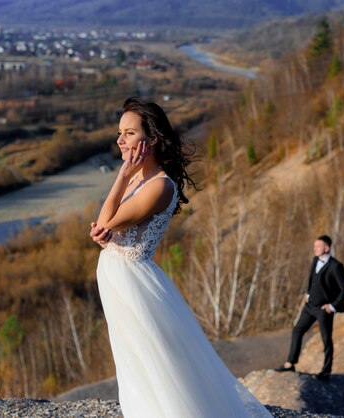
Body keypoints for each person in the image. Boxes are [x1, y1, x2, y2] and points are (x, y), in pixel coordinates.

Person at [89, 97, 273, 418]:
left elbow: (106, 221)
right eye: (119, 133)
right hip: (118, 277)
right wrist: (108, 227)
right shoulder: (139, 178)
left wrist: (121, 176)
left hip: (134, 282)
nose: (120, 140)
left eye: (129, 133)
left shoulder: (159, 186)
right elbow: (108, 225)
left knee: (153, 359)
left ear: (153, 139)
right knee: (132, 357)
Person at [274, 235, 344, 381]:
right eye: (314, 246)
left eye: (318, 246)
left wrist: (332, 306)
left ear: (326, 248)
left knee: (326, 339)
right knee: (297, 330)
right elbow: (312, 278)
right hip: (310, 306)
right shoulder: (315, 260)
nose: (314, 249)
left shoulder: (336, 266)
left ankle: (326, 371)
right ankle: (290, 363)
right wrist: (307, 293)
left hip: (324, 310)